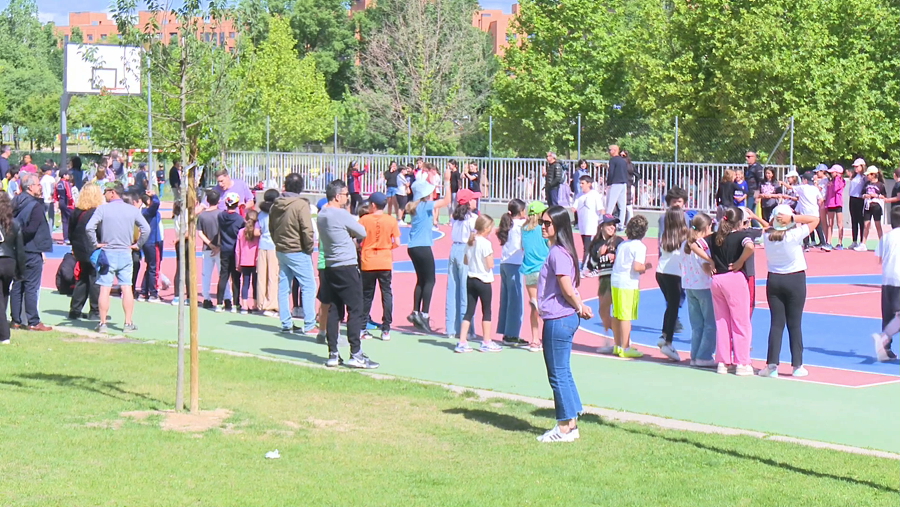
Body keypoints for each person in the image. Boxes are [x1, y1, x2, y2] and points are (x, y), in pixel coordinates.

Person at [535, 205, 593, 443]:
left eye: (547, 223)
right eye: (542, 222)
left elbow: (566, 286)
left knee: (556, 374)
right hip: (563, 317)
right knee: (563, 371)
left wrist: (579, 305)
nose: (543, 226)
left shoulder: (558, 252)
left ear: (559, 226)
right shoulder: (563, 251)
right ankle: (572, 422)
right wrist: (579, 306)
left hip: (558, 318)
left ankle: (564, 427)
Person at [318, 179, 379, 369]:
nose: (347, 197)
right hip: (346, 265)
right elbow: (361, 232)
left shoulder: (321, 214)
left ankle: (333, 353)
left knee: (335, 309)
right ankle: (356, 353)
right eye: (345, 194)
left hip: (330, 266)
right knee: (355, 309)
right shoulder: (341, 214)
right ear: (338, 196)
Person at [754, 204, 817, 378]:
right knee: (795, 324)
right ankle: (797, 365)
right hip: (795, 279)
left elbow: (768, 227)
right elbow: (815, 219)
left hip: (774, 280)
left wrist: (779, 220)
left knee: (776, 324)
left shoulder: (767, 236)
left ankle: (771, 366)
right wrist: (793, 218)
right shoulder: (794, 234)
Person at [86, 182, 151, 333]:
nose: (104, 195)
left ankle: (102, 323)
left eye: (106, 191)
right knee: (127, 287)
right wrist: (138, 244)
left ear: (113, 192)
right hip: (125, 252)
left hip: (107, 252)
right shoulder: (132, 210)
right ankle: (128, 323)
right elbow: (146, 228)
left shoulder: (103, 209)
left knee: (104, 288)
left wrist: (95, 243)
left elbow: (89, 227)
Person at [707, 207, 754, 376]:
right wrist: (741, 261)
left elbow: (695, 244)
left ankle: (723, 362)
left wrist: (709, 261)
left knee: (722, 322)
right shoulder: (741, 236)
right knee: (741, 322)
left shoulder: (715, 237)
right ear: (740, 222)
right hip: (734, 278)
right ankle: (741, 362)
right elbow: (750, 246)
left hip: (717, 280)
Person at [269, 173, 318, 335]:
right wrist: (309, 247)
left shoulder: (276, 204)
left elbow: (271, 227)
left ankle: (286, 322)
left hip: (282, 248)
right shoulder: (300, 205)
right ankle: (310, 323)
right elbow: (307, 228)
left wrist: (278, 242)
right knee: (309, 285)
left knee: (284, 286)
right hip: (298, 249)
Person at [405, 166, 452, 333]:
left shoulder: (413, 205)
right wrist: (447, 181)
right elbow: (446, 201)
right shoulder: (425, 205)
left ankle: (415, 311)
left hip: (413, 247)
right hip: (423, 247)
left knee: (421, 280)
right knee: (430, 281)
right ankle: (424, 314)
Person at [359, 192, 400, 341]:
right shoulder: (391, 220)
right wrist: (388, 247)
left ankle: (362, 327)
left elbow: (358, 239)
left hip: (368, 260)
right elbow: (398, 242)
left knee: (366, 295)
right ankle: (386, 329)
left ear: (373, 205)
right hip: (384, 260)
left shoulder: (364, 220)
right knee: (386, 293)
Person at [454, 214, 497, 353]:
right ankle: (486, 341)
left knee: (469, 310)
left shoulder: (470, 241)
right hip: (483, 280)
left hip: (471, 278)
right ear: (485, 228)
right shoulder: (486, 243)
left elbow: (466, 261)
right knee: (486, 311)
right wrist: (491, 259)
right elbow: (490, 264)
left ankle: (462, 341)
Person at [610, 215, 651, 358]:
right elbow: (637, 267)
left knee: (617, 313)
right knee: (626, 316)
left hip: (616, 280)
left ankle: (617, 345)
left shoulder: (623, 244)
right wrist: (647, 266)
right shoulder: (639, 247)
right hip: (628, 283)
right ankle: (626, 347)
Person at [682, 213, 716, 367]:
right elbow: (705, 266)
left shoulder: (686, 243)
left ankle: (695, 355)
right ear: (707, 227)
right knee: (710, 323)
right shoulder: (702, 245)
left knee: (697, 325)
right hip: (703, 286)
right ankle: (704, 356)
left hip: (689, 285)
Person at [446, 188, 480, 340]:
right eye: (473, 199)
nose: (476, 201)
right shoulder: (472, 218)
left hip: (454, 249)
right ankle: (467, 329)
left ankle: (451, 328)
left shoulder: (455, 217)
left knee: (452, 289)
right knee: (466, 291)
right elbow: (476, 236)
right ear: (468, 202)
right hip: (466, 250)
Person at [587, 214, 622, 353]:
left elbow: (624, 259)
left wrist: (615, 257)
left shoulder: (619, 242)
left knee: (613, 311)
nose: (612, 227)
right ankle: (617, 339)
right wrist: (599, 256)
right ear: (602, 226)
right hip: (603, 279)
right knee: (603, 312)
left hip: (616, 279)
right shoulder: (595, 244)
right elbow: (591, 265)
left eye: (614, 224)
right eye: (609, 224)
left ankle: (621, 340)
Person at [657, 207, 688, 361]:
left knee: (671, 305)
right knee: (674, 307)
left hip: (661, 273)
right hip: (674, 275)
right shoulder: (684, 237)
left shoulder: (666, 235)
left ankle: (664, 335)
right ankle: (668, 342)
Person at [68, 183, 103, 320]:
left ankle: (75, 310)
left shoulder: (76, 212)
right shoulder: (96, 212)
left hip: (79, 248)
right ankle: (95, 310)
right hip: (93, 248)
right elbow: (99, 231)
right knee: (94, 278)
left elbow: (70, 232)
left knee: (82, 278)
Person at [496, 199, 527, 346]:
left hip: (504, 264)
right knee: (515, 301)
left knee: (507, 299)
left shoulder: (508, 224)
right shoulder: (520, 225)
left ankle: (506, 331)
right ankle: (512, 334)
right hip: (515, 265)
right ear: (521, 212)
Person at [521, 201, 550, 352]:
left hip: (529, 271)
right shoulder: (543, 230)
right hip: (543, 270)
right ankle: (547, 337)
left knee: (534, 305)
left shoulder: (524, 229)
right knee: (547, 304)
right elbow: (550, 246)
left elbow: (523, 247)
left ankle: (534, 339)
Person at [197, 190, 233, 309]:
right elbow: (223, 232)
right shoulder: (221, 214)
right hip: (221, 248)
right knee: (223, 274)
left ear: (207, 201)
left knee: (206, 274)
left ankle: (206, 298)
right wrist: (217, 246)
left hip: (207, 248)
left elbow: (200, 233)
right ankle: (227, 298)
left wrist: (210, 245)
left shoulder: (202, 215)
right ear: (219, 201)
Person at [874, 205, 900, 361]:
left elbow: (879, 258)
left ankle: (885, 347)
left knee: (888, 315)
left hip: (887, 279)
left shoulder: (886, 237)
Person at [0, 192, 25, 344]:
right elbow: (20, 250)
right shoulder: (14, 224)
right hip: (9, 262)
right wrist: (21, 271)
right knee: (3, 296)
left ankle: (4, 335)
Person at [216, 192, 245, 313]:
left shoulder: (221, 216)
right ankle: (236, 304)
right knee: (236, 277)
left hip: (224, 248)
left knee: (223, 276)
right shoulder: (239, 219)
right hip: (235, 250)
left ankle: (219, 303)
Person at [571, 175, 604, 275]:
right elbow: (574, 207)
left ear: (589, 184)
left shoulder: (595, 195)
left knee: (588, 248)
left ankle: (584, 268)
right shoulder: (579, 195)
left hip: (592, 226)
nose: (581, 185)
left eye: (583, 183)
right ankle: (593, 266)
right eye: (580, 183)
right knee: (587, 247)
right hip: (582, 226)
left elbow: (601, 209)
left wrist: (602, 222)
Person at [256, 189, 279, 316]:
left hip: (262, 245)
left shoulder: (261, 214)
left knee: (261, 276)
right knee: (273, 276)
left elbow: (257, 231)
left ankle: (261, 302)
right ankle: (271, 305)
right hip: (274, 246)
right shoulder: (277, 213)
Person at [235, 209, 261, 314]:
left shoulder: (241, 232)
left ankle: (244, 305)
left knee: (245, 283)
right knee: (255, 283)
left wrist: (238, 262)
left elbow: (238, 249)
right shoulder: (258, 233)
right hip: (255, 261)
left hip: (244, 261)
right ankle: (255, 304)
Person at [138, 190, 162, 302]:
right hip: (151, 241)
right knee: (153, 268)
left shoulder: (146, 212)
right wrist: (154, 196)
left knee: (150, 268)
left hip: (150, 241)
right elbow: (156, 204)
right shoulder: (148, 212)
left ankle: (144, 292)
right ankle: (152, 293)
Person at [861, 166, 886, 248]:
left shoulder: (880, 185)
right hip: (867, 206)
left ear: (873, 175)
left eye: (868, 175)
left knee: (877, 225)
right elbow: (862, 194)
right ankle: (863, 244)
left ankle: (882, 243)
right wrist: (865, 195)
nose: (867, 176)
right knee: (866, 225)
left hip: (876, 206)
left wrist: (876, 195)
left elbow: (884, 196)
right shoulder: (867, 184)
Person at [823, 164, 846, 249]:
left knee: (839, 224)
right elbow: (828, 193)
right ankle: (828, 242)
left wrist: (837, 178)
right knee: (830, 224)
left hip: (838, 203)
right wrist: (826, 205)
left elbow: (836, 188)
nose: (831, 174)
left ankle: (840, 243)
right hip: (830, 204)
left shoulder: (841, 181)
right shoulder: (830, 182)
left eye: (833, 172)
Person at [605, 145, 629, 226]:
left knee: (610, 205)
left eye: (610, 150)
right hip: (623, 183)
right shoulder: (623, 161)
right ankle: (621, 225)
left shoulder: (613, 160)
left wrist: (608, 183)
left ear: (614, 150)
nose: (609, 152)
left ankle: (607, 223)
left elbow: (611, 172)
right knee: (622, 206)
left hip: (615, 183)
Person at [847, 158, 867, 250]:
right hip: (852, 198)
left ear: (862, 166)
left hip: (860, 199)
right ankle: (854, 241)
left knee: (860, 220)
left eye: (857, 166)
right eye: (854, 166)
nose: (855, 168)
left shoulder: (864, 177)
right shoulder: (854, 176)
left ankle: (862, 241)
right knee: (854, 220)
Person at [55, 169, 74, 245]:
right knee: (71, 219)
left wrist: (57, 201)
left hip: (61, 201)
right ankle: (71, 237)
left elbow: (55, 194)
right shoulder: (66, 183)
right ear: (64, 175)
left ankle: (65, 238)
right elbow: (69, 194)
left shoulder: (58, 183)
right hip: (67, 202)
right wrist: (71, 201)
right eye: (67, 174)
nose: (69, 176)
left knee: (64, 220)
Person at [744, 151, 763, 220]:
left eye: (749, 157)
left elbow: (760, 181)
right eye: (746, 156)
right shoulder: (750, 167)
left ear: (754, 157)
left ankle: (757, 228)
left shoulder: (757, 167)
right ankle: (756, 228)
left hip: (753, 192)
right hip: (749, 192)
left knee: (749, 212)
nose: (747, 158)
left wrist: (757, 196)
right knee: (751, 212)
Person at [40, 165, 55, 230]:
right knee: (51, 217)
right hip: (50, 199)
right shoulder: (51, 178)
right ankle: (50, 232)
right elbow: (54, 188)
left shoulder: (42, 179)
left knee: (44, 217)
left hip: (43, 199)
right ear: (48, 171)